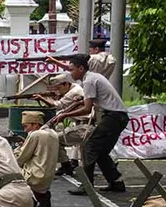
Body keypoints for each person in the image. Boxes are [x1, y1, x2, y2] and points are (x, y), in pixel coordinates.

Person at [53, 54, 129, 196]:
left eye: (72, 69)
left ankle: (87, 185)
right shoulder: (92, 78)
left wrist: (65, 115)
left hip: (113, 117)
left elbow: (87, 109)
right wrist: (77, 103)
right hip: (116, 117)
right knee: (100, 152)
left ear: (81, 68)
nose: (70, 73)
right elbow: (89, 101)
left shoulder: (89, 80)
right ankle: (116, 182)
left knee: (89, 146)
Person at [34, 73, 94, 176]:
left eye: (58, 88)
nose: (57, 91)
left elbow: (58, 106)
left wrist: (41, 98)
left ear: (66, 84)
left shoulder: (74, 92)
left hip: (84, 126)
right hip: (83, 125)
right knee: (89, 155)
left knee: (54, 139)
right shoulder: (75, 88)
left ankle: (66, 165)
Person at [14, 111, 58, 207]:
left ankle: (30, 198)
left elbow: (22, 157)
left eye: (26, 126)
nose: (25, 130)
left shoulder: (35, 135)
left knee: (8, 172)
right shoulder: (53, 133)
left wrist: (15, 153)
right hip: (48, 176)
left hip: (34, 175)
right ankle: (41, 195)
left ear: (35, 124)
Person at [48, 39, 116, 79]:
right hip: (104, 86)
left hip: (90, 85)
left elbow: (71, 68)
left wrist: (54, 61)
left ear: (96, 49)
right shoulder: (112, 59)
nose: (90, 52)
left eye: (90, 50)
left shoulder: (91, 59)